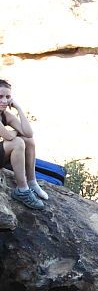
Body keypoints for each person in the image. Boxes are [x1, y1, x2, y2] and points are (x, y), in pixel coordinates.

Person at [0, 79, 48, 210]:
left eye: (7, 97)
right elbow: (9, 136)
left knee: (28, 141)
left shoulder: (5, 115)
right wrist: (16, 131)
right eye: (0, 96)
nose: (4, 100)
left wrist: (19, 108)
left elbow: (28, 133)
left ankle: (32, 182)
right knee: (17, 142)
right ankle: (22, 190)